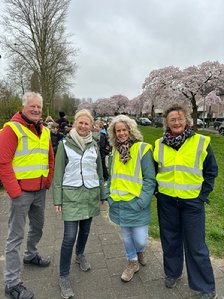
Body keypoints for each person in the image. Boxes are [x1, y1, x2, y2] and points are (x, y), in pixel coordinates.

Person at [153, 104, 218, 299]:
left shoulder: (201, 141)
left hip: (192, 203)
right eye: (172, 119)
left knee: (196, 245)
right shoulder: (159, 144)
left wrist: (201, 196)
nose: (176, 122)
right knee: (170, 241)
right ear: (167, 122)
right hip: (167, 202)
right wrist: (158, 193)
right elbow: (155, 171)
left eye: (180, 118)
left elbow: (211, 171)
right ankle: (172, 273)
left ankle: (206, 287)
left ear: (186, 120)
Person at [0, 91, 54, 299]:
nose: (36, 110)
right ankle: (11, 283)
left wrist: (47, 181)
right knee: (15, 237)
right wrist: (15, 192)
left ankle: (30, 255)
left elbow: (49, 157)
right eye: (32, 106)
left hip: (40, 191)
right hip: (21, 193)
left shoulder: (45, 131)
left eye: (39, 107)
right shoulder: (11, 129)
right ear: (23, 107)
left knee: (38, 227)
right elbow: (3, 163)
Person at [53, 109, 104, 299]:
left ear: (91, 125)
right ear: (75, 124)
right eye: (80, 123)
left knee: (85, 231)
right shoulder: (64, 145)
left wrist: (102, 195)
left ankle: (80, 254)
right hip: (72, 196)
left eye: (87, 123)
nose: (83, 126)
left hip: (90, 195)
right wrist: (57, 200)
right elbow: (58, 174)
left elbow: (99, 172)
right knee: (69, 237)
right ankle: (63, 276)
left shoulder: (95, 145)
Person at [105, 115, 156, 282]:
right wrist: (108, 195)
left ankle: (139, 251)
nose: (121, 133)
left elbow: (150, 178)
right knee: (126, 236)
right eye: (118, 131)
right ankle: (132, 262)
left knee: (140, 239)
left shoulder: (142, 149)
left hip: (137, 203)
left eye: (124, 130)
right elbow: (112, 176)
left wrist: (142, 200)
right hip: (119, 202)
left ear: (131, 130)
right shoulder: (114, 151)